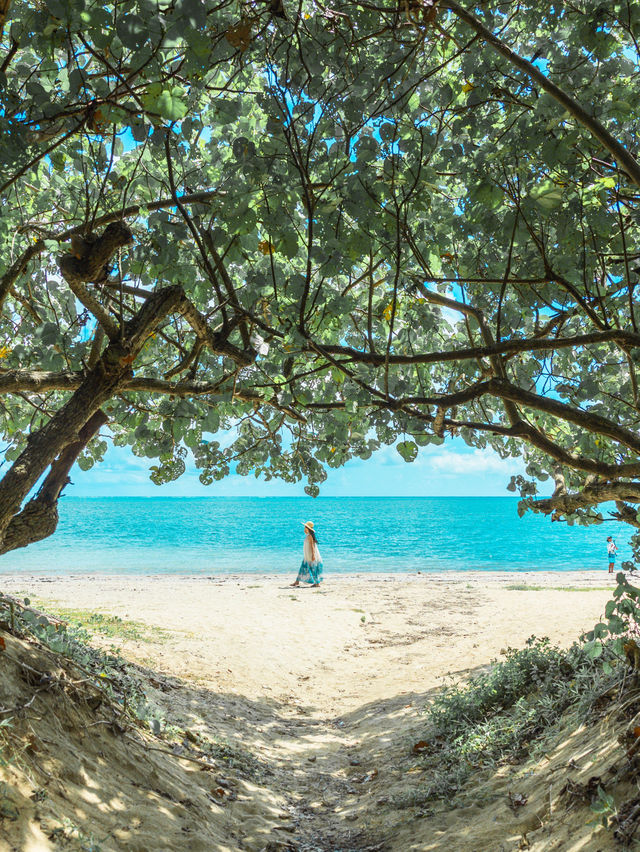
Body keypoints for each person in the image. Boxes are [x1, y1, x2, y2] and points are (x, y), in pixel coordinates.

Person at [291, 521, 323, 587]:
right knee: (303, 567)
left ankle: (317, 583)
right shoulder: (308, 536)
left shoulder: (310, 536)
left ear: (308, 528)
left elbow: (312, 546)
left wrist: (313, 555)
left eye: (305, 527)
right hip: (307, 555)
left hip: (310, 555)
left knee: (312, 568)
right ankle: (297, 581)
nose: (304, 529)